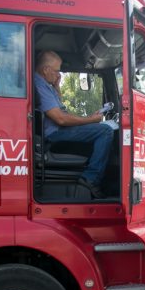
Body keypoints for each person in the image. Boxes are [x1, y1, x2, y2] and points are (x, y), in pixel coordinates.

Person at [33, 50, 116, 199]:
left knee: (100, 130)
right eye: (57, 71)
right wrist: (91, 120)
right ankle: (90, 180)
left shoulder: (45, 85)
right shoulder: (39, 85)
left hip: (58, 130)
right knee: (105, 131)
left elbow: (61, 110)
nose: (59, 75)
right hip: (54, 135)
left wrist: (57, 86)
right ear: (46, 69)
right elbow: (61, 119)